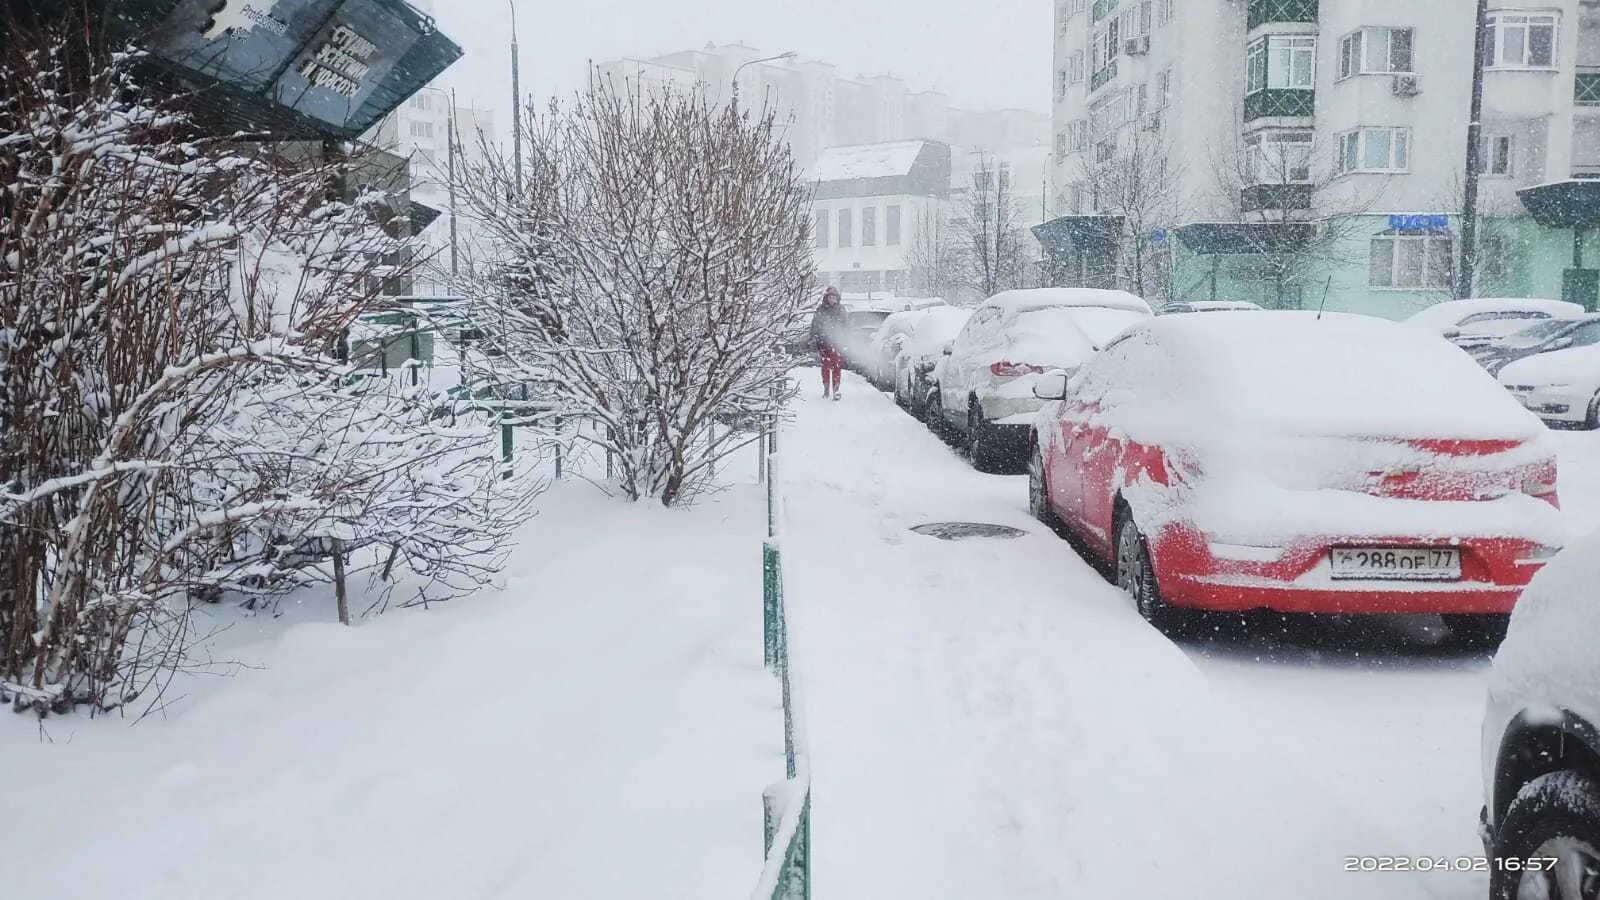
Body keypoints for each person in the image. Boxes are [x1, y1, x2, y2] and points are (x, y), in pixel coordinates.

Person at [810, 287, 848, 400]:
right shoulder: (821, 310)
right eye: (830, 297)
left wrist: (845, 339)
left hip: (837, 343)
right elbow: (815, 325)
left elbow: (846, 326)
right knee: (826, 366)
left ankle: (836, 389)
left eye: (834, 297)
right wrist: (814, 338)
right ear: (826, 298)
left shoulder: (841, 310)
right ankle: (826, 388)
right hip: (824, 343)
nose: (832, 299)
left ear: (837, 298)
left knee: (837, 366)